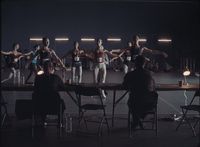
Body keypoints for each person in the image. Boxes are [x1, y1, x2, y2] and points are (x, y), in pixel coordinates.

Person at [123, 55, 158, 130]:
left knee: (132, 104)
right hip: (150, 103)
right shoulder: (150, 74)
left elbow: (124, 86)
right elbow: (153, 87)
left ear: (135, 64)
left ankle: (137, 121)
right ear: (144, 64)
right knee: (141, 104)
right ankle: (138, 120)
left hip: (135, 102)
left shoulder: (130, 75)